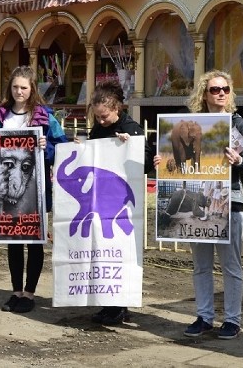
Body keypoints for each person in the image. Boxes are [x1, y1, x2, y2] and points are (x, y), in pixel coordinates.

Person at [180, 70, 243, 340]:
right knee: (201, 265)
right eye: (214, 89)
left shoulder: (239, 125)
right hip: (198, 201)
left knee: (231, 265)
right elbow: (178, 159)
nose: (221, 93)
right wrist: (163, 163)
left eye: (225, 88)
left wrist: (237, 161)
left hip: (229, 200)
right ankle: (205, 316)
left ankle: (232, 320)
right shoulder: (188, 124)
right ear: (204, 94)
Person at [0, 65, 68, 314]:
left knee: (34, 240)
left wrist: (46, 146)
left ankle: (29, 293)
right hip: (7, 187)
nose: (19, 92)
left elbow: (63, 147)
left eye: (23, 87)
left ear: (32, 88)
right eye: (15, 87)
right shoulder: (0, 114)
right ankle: (15, 291)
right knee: (13, 240)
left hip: (36, 187)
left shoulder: (45, 116)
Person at [84, 80, 155, 325]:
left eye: (104, 116)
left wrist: (130, 148)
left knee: (119, 253)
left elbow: (146, 164)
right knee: (102, 252)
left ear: (117, 108)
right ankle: (107, 303)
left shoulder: (131, 128)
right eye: (97, 117)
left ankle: (119, 305)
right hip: (100, 200)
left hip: (122, 204)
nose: (101, 121)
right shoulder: (97, 128)